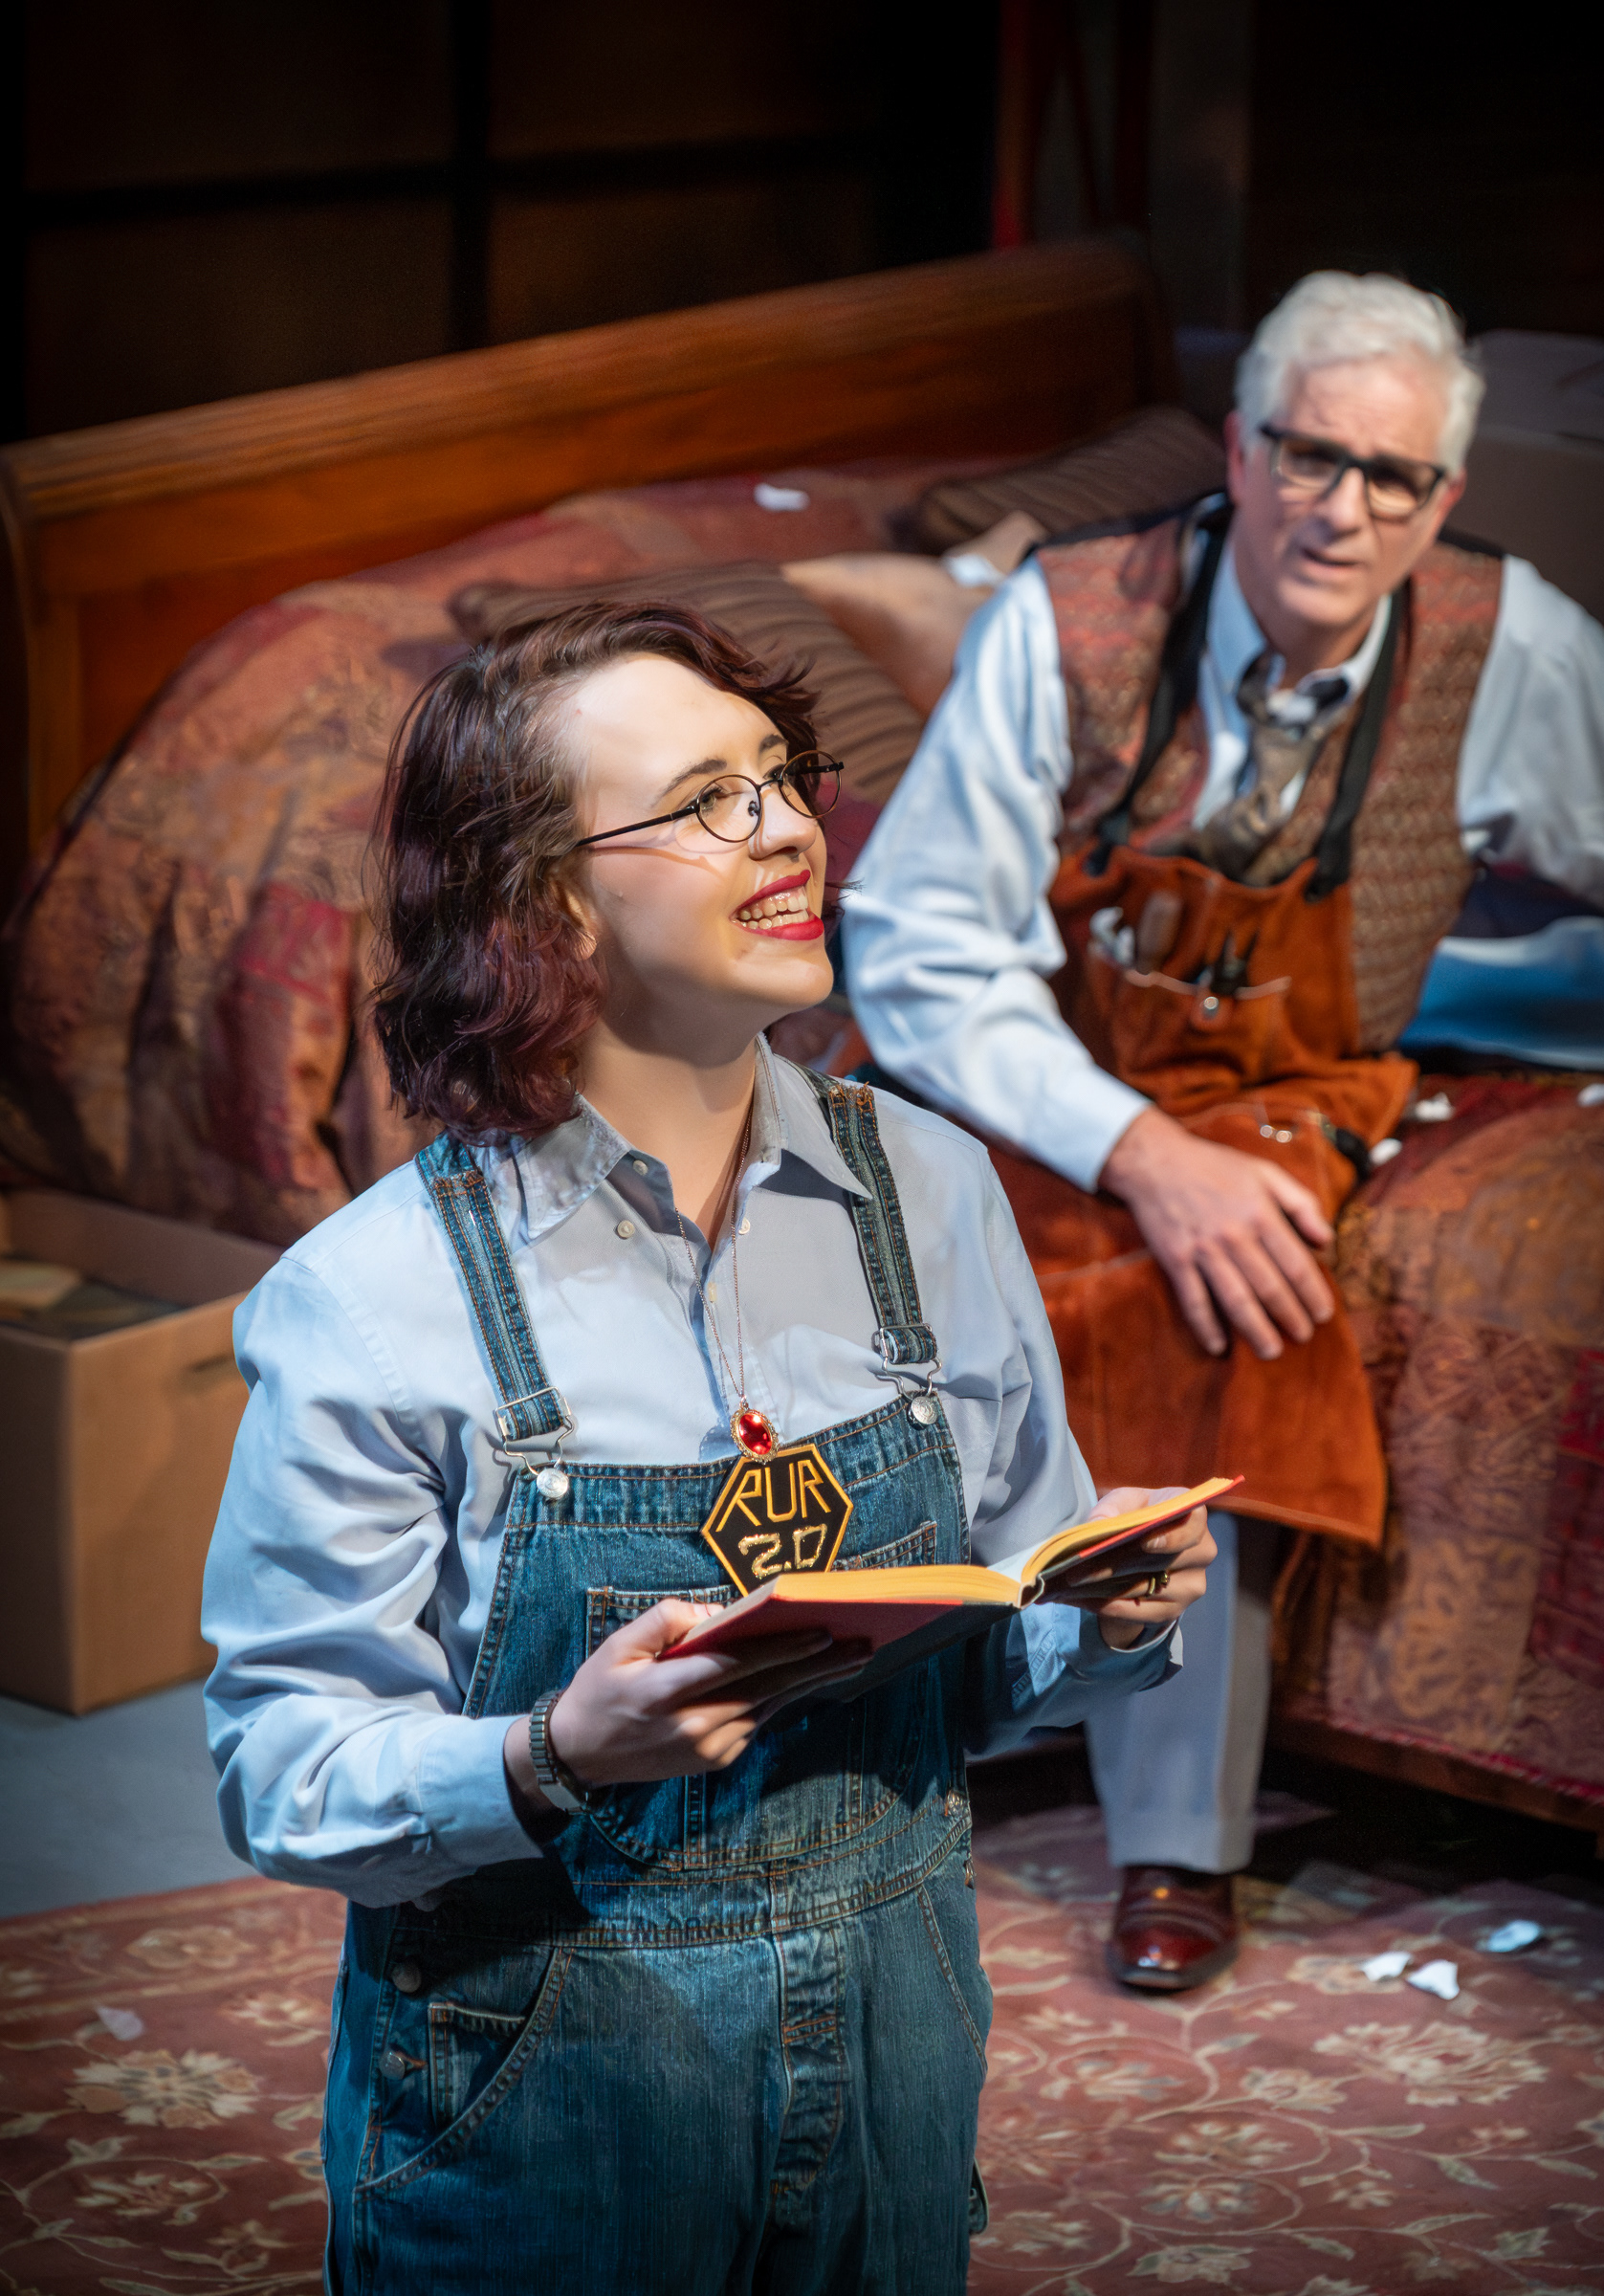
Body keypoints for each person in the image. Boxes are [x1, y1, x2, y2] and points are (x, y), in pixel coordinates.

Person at [200, 599, 1217, 2295]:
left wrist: (1104, 1617)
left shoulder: (934, 1191)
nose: (790, 829)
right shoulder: (374, 1299)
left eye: (783, 778)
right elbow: (283, 1771)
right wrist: (551, 1755)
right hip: (547, 2117)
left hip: (895, 2076)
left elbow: (983, 1673)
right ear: (547, 905)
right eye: (706, 801)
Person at [839, 270, 1604, 1994]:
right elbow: (921, 951)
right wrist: (1143, 1155)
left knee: (1238, 1293)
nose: (1342, 509)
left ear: (1442, 499)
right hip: (1050, 1045)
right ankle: (886, 1705)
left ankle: (1177, 1841)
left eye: (1392, 476)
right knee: (919, 1240)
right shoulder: (1065, 618)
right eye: (1309, 456)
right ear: (1238, 452)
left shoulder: (1509, 643)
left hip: (1297, 1073)